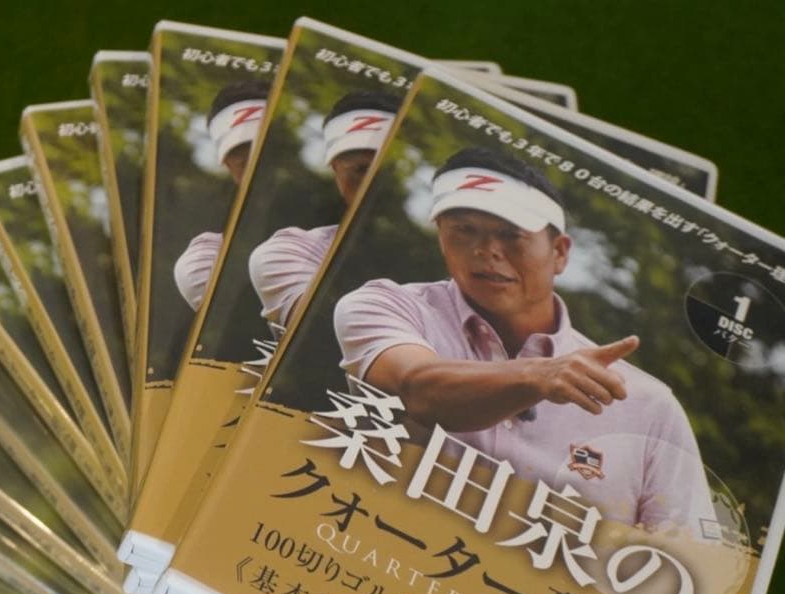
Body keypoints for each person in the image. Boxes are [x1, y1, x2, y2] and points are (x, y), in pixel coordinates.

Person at [333, 146, 716, 534]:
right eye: (464, 230)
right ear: (442, 237)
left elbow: (688, 557)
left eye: (510, 234)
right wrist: (539, 376)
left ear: (560, 253)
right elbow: (416, 389)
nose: (485, 251)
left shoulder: (649, 408)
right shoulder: (385, 307)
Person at [248, 90, 401, 329]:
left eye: (387, 169)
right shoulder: (289, 253)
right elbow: (321, 330)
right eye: (361, 170)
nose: (376, 183)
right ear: (336, 170)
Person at [173, 80, 271, 311]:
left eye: (268, 151)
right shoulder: (206, 261)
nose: (260, 169)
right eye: (244, 161)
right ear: (229, 165)